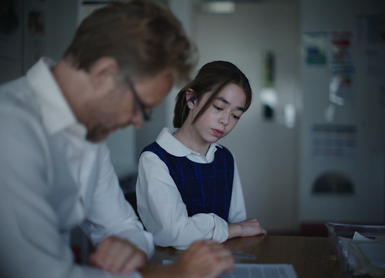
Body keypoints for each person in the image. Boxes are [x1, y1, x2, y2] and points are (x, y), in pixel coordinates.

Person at [0, 1, 234, 277]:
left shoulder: (88, 132)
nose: (137, 122)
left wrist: (129, 248)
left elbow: (122, 224)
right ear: (104, 73)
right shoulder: (11, 131)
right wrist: (175, 274)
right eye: (141, 105)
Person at [136, 61, 267, 250]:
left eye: (235, 115)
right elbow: (175, 233)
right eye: (219, 107)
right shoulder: (154, 159)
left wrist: (236, 229)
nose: (225, 121)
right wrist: (233, 229)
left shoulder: (225, 158)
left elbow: (239, 225)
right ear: (192, 100)